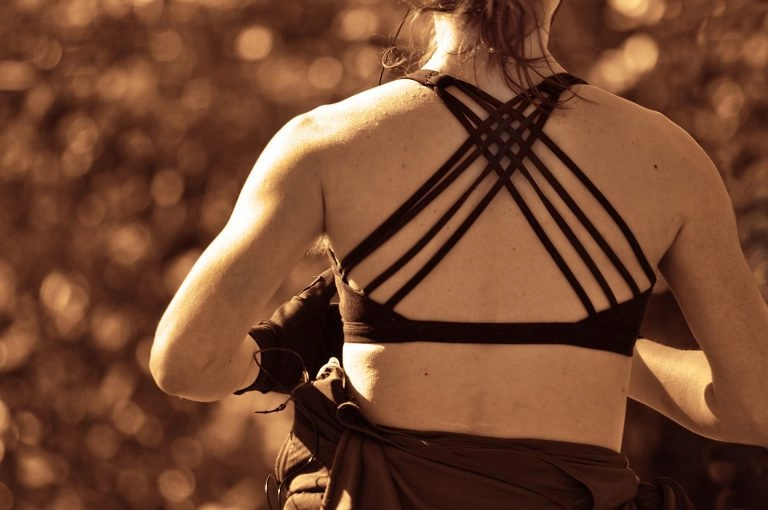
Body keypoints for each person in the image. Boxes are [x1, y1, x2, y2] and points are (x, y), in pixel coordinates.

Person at [150, 0, 768, 508]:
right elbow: (756, 406)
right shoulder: (668, 160)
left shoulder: (324, 145)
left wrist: (275, 360)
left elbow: (185, 362)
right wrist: (593, 355)